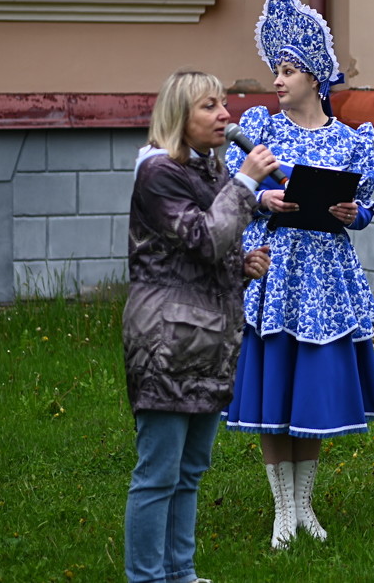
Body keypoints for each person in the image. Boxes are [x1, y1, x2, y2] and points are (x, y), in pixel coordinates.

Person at [223, 0, 374, 550]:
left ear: (315, 77)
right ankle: (283, 509)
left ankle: (306, 504)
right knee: (276, 389)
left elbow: (365, 208)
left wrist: (351, 212)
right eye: (276, 70)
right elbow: (231, 190)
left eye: (288, 70)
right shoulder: (262, 130)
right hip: (274, 273)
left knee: (311, 389)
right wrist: (261, 198)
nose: (277, 80)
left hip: (325, 276)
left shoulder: (349, 140)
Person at [122, 69, 278, 583]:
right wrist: (247, 182)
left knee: (189, 471)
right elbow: (206, 238)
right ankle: (148, 578)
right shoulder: (158, 173)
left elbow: (202, 252)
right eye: (209, 106)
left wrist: (241, 265)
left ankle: (180, 573)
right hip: (166, 341)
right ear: (178, 116)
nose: (225, 115)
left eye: (223, 103)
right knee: (158, 474)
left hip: (208, 343)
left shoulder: (209, 170)